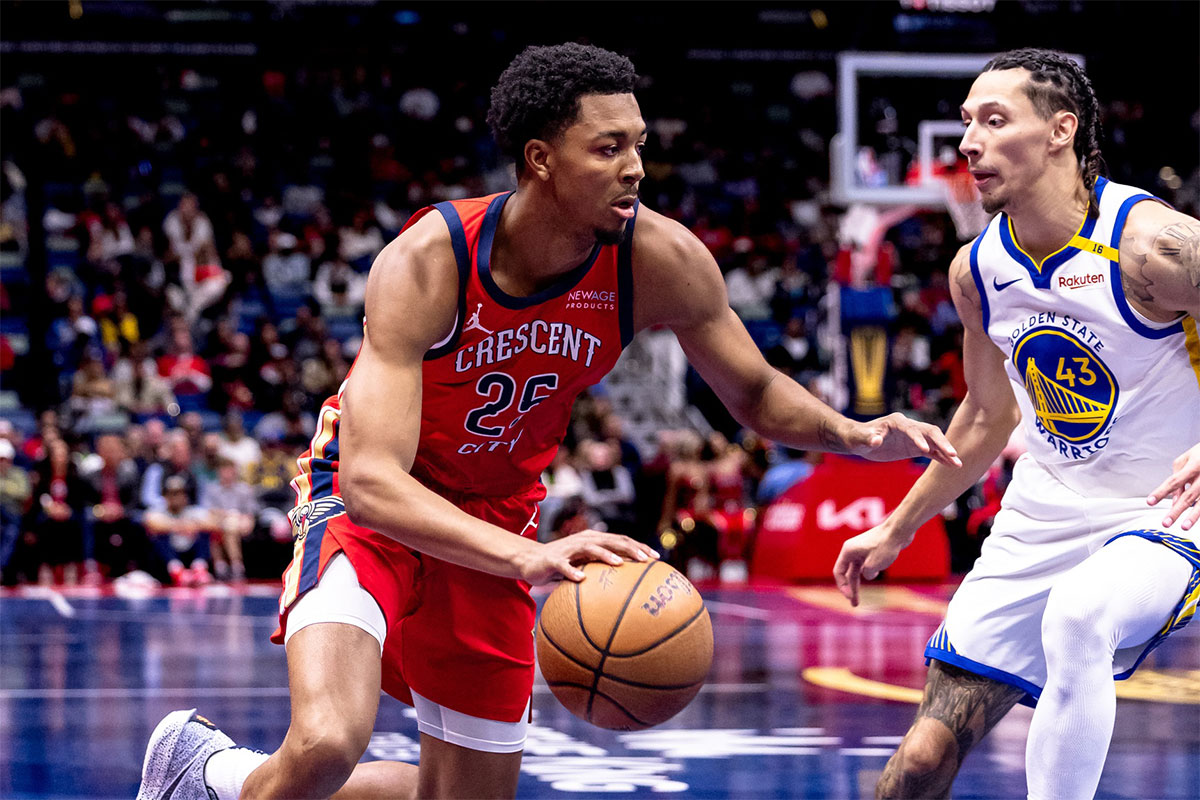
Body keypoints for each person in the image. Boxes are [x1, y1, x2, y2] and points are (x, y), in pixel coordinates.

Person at [138, 43, 959, 800]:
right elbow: (370, 479)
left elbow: (752, 392)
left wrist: (852, 433)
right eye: (608, 149)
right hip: (373, 511)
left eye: (638, 144)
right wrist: (532, 557)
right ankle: (234, 772)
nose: (635, 168)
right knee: (325, 745)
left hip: (494, 519)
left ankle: (213, 774)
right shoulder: (431, 260)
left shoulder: (657, 258)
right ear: (541, 159)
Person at [833, 48, 1200, 800]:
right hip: (1044, 512)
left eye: (994, 120)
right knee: (923, 761)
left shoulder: (1153, 247)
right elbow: (985, 416)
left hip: (1171, 507)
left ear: (1061, 131)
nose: (970, 141)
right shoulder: (976, 270)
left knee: (1080, 614)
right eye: (966, 122)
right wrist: (898, 527)